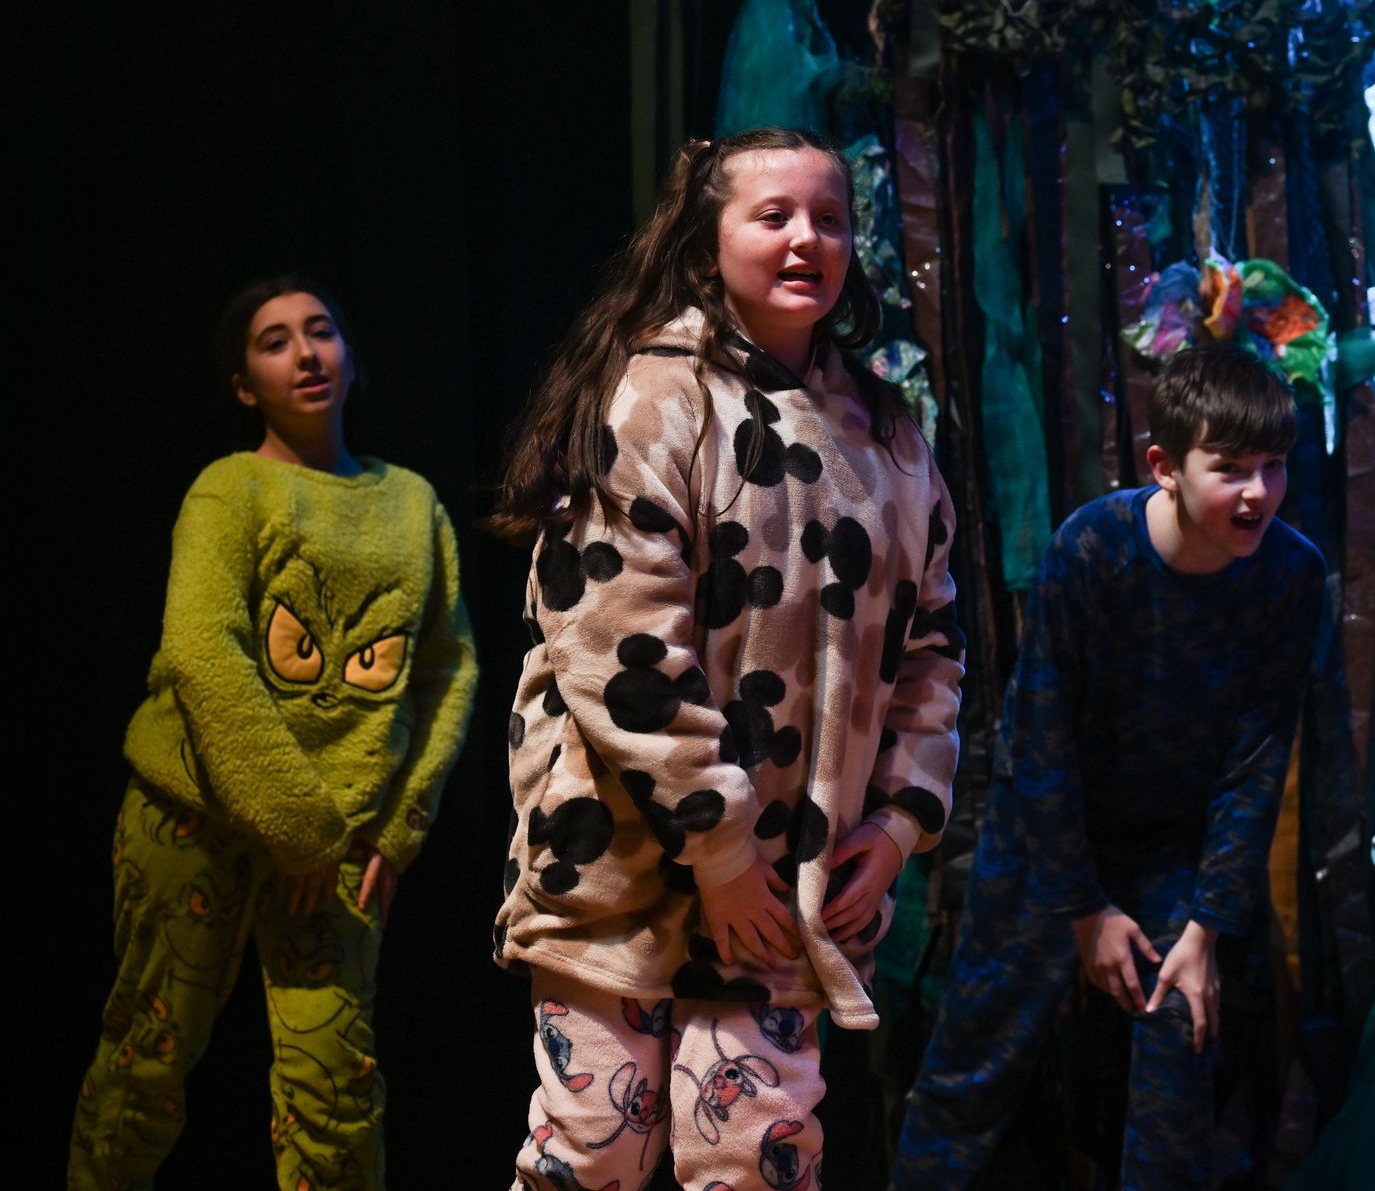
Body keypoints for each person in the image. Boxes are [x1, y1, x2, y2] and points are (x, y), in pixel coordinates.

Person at [488, 128, 964, 1191]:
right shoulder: (653, 399)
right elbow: (616, 643)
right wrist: (719, 852)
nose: (807, 239)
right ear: (709, 242)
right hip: (624, 872)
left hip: (787, 888)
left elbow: (933, 649)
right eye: (774, 216)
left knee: (759, 1162)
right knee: (592, 1154)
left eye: (830, 219)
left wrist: (898, 825)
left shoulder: (887, 434)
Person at [69, 276, 479, 1191]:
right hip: (198, 817)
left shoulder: (412, 502)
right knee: (145, 1063)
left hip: (339, 843)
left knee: (335, 1086)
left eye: (320, 331)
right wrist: (297, 827)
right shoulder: (230, 489)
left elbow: (449, 669)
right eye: (274, 341)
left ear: (351, 359)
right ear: (244, 385)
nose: (304, 353)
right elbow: (201, 654)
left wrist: (397, 828)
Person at [891, 341, 1326, 1191]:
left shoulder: (1292, 574)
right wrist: (1083, 908)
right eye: (1230, 468)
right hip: (1048, 836)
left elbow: (1257, 760)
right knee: (971, 1067)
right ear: (1165, 467)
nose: (1258, 493)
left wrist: (1206, 926)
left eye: (1273, 467)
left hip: (1169, 848)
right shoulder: (1092, 547)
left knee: (1179, 1060)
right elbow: (1038, 738)